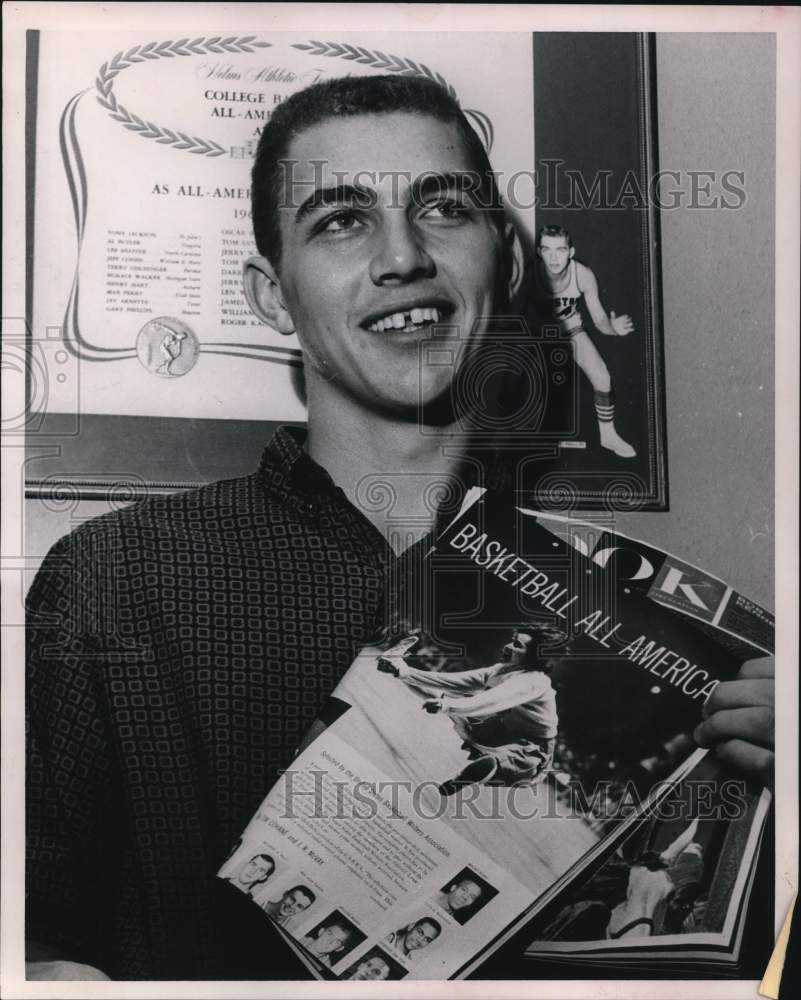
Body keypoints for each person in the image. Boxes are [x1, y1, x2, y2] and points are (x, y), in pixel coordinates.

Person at [25, 74, 775, 981]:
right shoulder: (112, 580)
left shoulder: (628, 605)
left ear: (500, 261)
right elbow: (28, 937)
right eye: (340, 220)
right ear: (271, 297)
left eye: (443, 207)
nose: (402, 257)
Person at [378, 625, 560, 791]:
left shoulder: (535, 681)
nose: (507, 647)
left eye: (517, 645)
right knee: (447, 696)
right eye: (512, 641)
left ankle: (472, 775)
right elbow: (453, 681)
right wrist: (402, 671)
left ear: (532, 657)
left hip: (533, 745)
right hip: (498, 727)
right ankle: (485, 766)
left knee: (511, 761)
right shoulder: (500, 670)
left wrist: (447, 706)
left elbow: (490, 700)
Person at [530, 224, 636, 458]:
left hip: (571, 330)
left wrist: (614, 329)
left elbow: (599, 320)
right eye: (547, 250)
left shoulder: (584, 275)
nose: (555, 257)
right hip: (536, 334)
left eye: (561, 249)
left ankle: (608, 436)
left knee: (602, 375)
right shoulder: (528, 274)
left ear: (571, 251)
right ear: (539, 252)